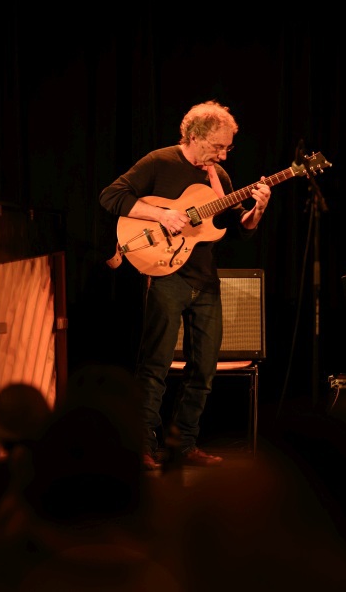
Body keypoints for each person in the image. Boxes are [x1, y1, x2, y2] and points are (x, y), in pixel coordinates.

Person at [99, 100, 271, 471]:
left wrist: (257, 210)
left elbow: (237, 230)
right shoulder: (159, 162)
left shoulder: (219, 177)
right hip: (166, 275)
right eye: (217, 147)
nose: (222, 155)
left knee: (204, 368)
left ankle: (184, 444)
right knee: (156, 365)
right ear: (193, 136)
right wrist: (161, 214)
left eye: (227, 148)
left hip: (205, 280)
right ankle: (143, 445)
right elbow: (111, 196)